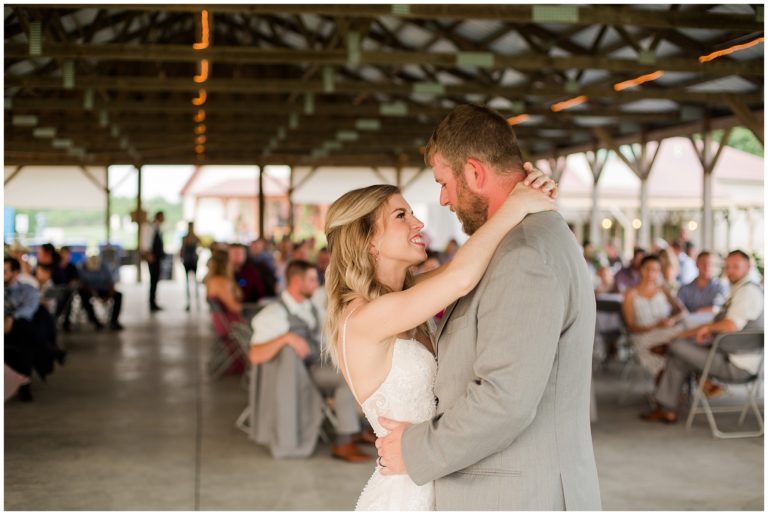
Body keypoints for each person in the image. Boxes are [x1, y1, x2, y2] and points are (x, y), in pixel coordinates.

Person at [326, 105, 598, 510]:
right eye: (402, 216)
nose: (425, 217)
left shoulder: (517, 255)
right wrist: (518, 203)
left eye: (441, 184)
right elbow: (461, 277)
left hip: (442, 475)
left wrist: (525, 198)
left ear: (473, 172)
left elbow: (461, 269)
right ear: (368, 241)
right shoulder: (365, 317)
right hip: (411, 483)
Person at [250, 260, 372, 462]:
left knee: (357, 371)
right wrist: (285, 338)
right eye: (313, 279)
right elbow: (255, 355)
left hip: (315, 365)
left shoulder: (311, 308)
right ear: (297, 282)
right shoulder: (273, 314)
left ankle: (355, 430)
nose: (317, 284)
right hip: (295, 376)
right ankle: (344, 441)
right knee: (345, 378)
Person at [642, 250, 764, 424]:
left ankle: (672, 356)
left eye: (735, 267)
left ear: (748, 267)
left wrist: (699, 331)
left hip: (737, 365)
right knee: (679, 354)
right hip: (725, 354)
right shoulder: (739, 289)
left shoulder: (748, 293)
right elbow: (717, 323)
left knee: (677, 346)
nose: (730, 271)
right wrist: (687, 333)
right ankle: (668, 408)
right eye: (727, 267)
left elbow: (730, 325)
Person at [621, 255, 688, 380]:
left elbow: (682, 311)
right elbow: (631, 327)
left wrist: (672, 320)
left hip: (665, 332)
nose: (651, 273)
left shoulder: (663, 289)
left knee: (681, 338)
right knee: (682, 340)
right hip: (643, 336)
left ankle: (666, 380)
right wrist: (655, 326)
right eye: (648, 269)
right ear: (641, 269)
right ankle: (698, 378)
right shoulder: (630, 294)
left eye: (655, 270)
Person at [5, 257, 41, 402]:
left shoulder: (28, 289)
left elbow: (29, 310)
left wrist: (10, 318)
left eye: (5, 272)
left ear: (15, 273)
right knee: (28, 334)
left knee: (25, 329)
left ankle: (23, 381)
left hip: (16, 328)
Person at [78, 255, 124, 331]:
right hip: (90, 290)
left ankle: (114, 321)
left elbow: (111, 282)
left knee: (118, 295)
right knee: (83, 295)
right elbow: (82, 283)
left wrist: (109, 294)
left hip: (104, 290)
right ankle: (95, 321)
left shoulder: (104, 267)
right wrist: (91, 291)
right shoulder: (83, 268)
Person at [205, 248, 243, 321]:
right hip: (233, 322)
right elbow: (233, 307)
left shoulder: (212, 280)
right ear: (226, 262)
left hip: (223, 321)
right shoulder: (221, 282)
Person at [142, 211, 166, 312]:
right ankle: (151, 303)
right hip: (153, 257)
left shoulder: (157, 227)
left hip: (157, 257)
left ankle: (153, 302)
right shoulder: (150, 227)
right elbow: (146, 241)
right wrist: (148, 254)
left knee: (155, 280)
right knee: (153, 280)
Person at [180, 221, 200, 312]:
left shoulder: (187, 237)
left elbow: (182, 249)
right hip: (191, 260)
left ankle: (193, 302)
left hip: (189, 260)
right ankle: (193, 302)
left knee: (190, 281)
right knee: (191, 282)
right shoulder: (191, 237)